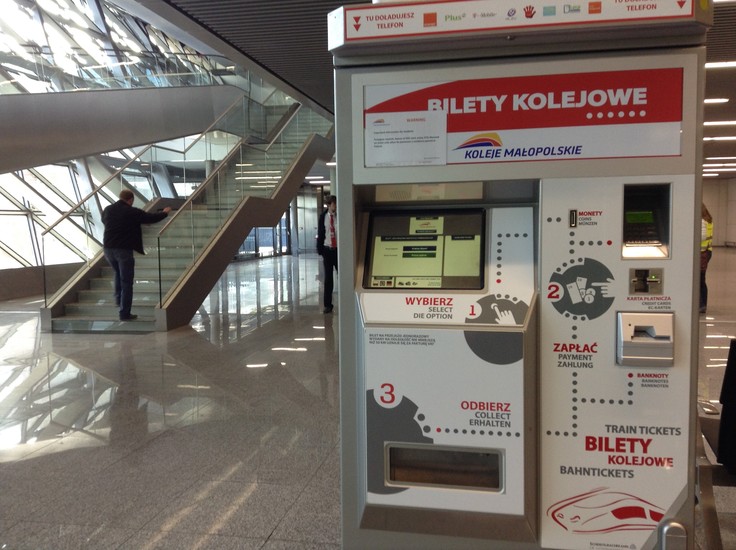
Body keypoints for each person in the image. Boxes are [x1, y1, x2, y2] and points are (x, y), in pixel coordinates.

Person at [102, 190, 171, 321]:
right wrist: (165, 212)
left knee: (117, 273)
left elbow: (105, 221)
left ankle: (118, 299)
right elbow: (151, 218)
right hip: (123, 250)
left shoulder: (108, 209)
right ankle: (124, 313)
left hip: (108, 249)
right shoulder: (131, 211)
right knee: (127, 281)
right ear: (131, 200)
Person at [317, 195, 337, 313]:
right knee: (328, 278)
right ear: (329, 205)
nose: (335, 206)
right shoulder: (323, 217)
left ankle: (346, 301)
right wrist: (320, 250)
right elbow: (320, 233)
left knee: (344, 277)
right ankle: (327, 305)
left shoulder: (340, 216)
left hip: (338, 250)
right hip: (327, 250)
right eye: (333, 203)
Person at [700, 203, 713, 314]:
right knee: (701, 279)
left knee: (698, 280)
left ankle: (701, 305)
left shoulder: (701, 221)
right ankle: (702, 304)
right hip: (706, 252)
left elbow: (701, 237)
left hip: (701, 253)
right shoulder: (708, 220)